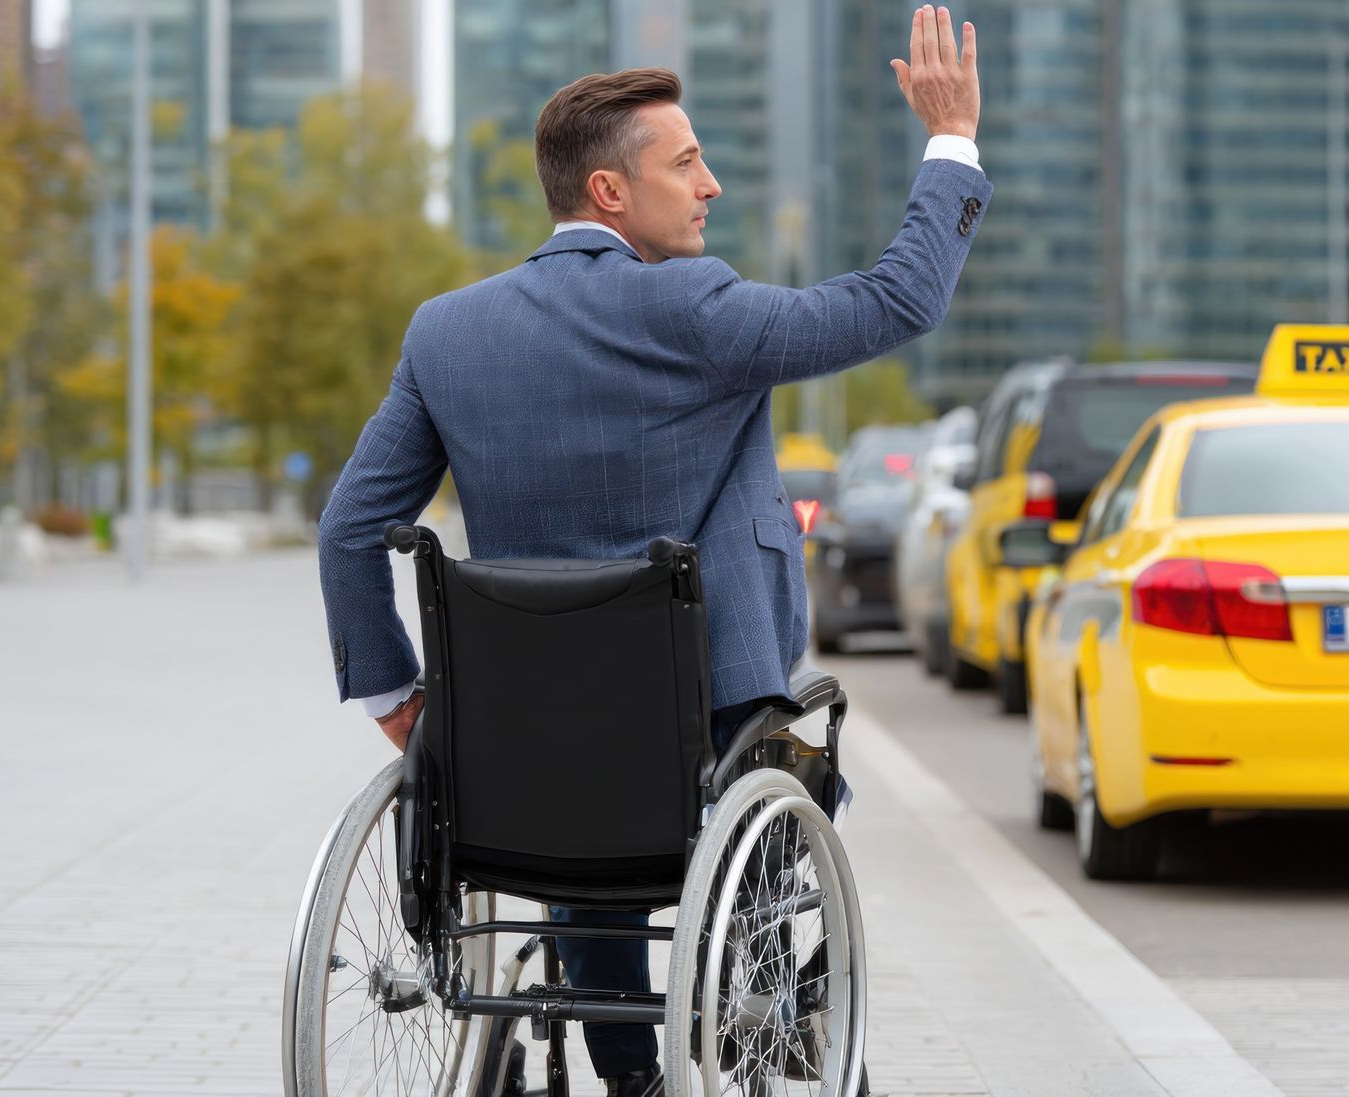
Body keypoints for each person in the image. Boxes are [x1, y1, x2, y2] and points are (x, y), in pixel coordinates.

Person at [316, 7, 987, 1094]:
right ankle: (759, 999)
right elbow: (897, 298)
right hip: (714, 718)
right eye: (687, 161)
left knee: (584, 817)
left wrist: (395, 691)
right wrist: (950, 139)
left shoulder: (446, 330)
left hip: (529, 749)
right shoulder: (694, 307)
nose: (710, 183)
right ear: (611, 193)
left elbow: (350, 526)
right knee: (778, 766)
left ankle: (629, 1067)